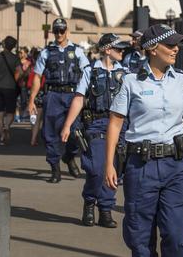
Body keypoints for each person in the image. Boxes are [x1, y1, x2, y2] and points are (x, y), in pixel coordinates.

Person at [103, 24, 183, 257]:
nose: (176, 50)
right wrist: (109, 163)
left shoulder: (181, 80)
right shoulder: (131, 81)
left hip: (176, 166)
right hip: (141, 167)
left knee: (176, 235)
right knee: (140, 239)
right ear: (153, 48)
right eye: (170, 45)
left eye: (177, 45)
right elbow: (115, 122)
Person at [60, 33, 129, 228]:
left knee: (115, 168)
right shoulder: (90, 71)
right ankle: (90, 202)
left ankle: (105, 209)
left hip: (120, 126)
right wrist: (67, 125)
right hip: (97, 124)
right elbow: (79, 98)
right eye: (118, 48)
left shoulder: (126, 73)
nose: (122, 51)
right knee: (97, 168)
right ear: (107, 50)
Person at [28, 18, 89, 183]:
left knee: (76, 132)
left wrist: (87, 94)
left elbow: (87, 73)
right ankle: (55, 169)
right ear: (52, 32)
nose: (59, 34)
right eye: (56, 31)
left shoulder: (77, 51)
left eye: (62, 31)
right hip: (53, 95)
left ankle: (69, 157)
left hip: (73, 95)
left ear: (67, 31)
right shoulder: (46, 52)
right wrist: (32, 99)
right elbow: (37, 76)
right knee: (51, 133)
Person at [28, 47, 44, 146]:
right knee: (38, 119)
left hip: (32, 94)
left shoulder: (32, 70)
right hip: (41, 93)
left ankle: (33, 136)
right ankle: (34, 138)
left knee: (33, 117)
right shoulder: (43, 70)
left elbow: (29, 84)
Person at [14, 46, 32, 123]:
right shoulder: (16, 62)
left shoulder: (29, 63)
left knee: (24, 101)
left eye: (21, 53)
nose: (20, 54)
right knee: (16, 101)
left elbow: (31, 74)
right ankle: (17, 115)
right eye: (19, 52)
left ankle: (22, 114)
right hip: (16, 84)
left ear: (26, 54)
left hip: (25, 85)